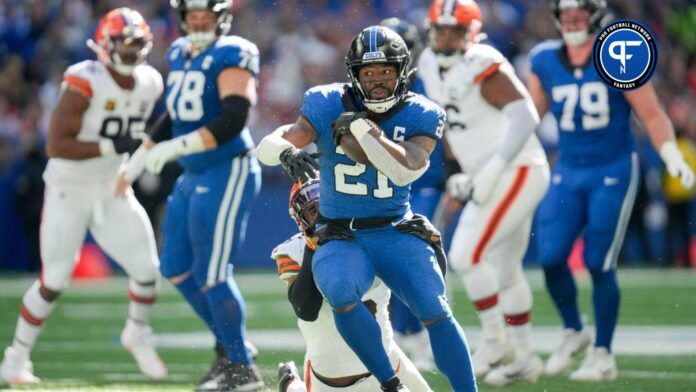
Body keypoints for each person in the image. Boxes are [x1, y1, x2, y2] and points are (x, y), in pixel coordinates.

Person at [257, 26, 476, 392]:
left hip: (393, 227)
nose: (377, 81)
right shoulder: (326, 102)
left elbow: (405, 167)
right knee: (341, 290)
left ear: (402, 73)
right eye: (368, 73)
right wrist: (284, 150)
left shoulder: (422, 112)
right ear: (354, 74)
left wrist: (365, 131)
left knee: (435, 308)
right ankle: (391, 385)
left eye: (386, 72)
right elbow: (269, 144)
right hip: (342, 232)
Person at [528, 0, 695, 381]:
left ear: (595, 17)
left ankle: (603, 353)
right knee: (551, 255)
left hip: (613, 168)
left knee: (599, 261)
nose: (571, 21)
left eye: (579, 15)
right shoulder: (544, 60)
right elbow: (530, 117)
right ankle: (574, 329)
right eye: (566, 15)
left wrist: (671, 155)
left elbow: (651, 114)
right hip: (568, 169)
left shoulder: (618, 56)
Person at [0, 8, 167, 384]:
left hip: (112, 189)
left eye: (138, 44)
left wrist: (136, 164)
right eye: (125, 44)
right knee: (55, 279)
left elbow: (147, 133)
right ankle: (16, 358)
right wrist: (113, 147)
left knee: (147, 271)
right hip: (68, 189)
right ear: (105, 45)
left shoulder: (150, 81)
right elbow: (57, 144)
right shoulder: (84, 80)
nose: (132, 52)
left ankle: (136, 334)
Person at [117, 0, 263, 390]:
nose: (199, 23)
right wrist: (134, 164)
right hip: (194, 171)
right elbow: (173, 116)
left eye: (206, 17)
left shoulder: (235, 51)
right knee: (177, 268)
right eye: (193, 17)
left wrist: (175, 149)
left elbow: (234, 118)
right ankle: (231, 347)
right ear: (182, 19)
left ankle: (241, 369)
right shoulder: (180, 52)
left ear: (221, 18)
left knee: (213, 274)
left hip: (227, 168)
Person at [417, 0, 550, 386]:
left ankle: (495, 340)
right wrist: (459, 172)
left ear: (471, 33)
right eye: (440, 30)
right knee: (505, 270)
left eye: (454, 31)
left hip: (517, 167)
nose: (445, 38)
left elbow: (527, 115)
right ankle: (523, 356)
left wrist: (491, 169)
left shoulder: (481, 60)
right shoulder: (428, 62)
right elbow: (453, 124)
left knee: (466, 255)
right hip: (490, 171)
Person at [274, 177, 435, 392]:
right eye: (314, 211)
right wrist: (313, 247)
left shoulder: (374, 236)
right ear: (301, 219)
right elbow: (306, 309)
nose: (324, 216)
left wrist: (424, 244)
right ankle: (292, 385)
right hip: (333, 381)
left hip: (389, 362)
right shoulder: (294, 250)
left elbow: (422, 289)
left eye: (328, 206)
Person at [379, 16, 440, 372]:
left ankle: (417, 337)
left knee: (416, 261)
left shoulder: (432, 85)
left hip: (427, 184)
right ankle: (399, 335)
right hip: (386, 189)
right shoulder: (366, 92)